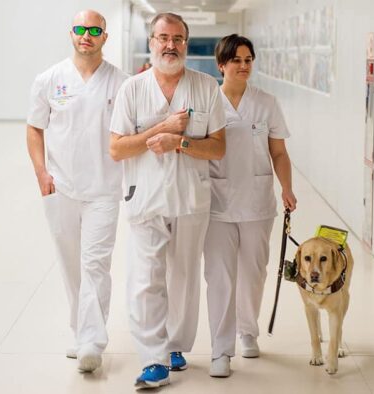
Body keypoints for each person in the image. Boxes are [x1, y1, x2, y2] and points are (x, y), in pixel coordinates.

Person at [109, 13, 226, 389]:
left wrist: (181, 142)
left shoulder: (207, 88)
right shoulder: (132, 89)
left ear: (186, 44)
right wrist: (160, 130)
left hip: (191, 197)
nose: (169, 45)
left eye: (177, 38)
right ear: (152, 41)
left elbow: (219, 148)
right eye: (162, 37)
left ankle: (176, 345)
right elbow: (116, 149)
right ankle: (153, 358)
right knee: (146, 278)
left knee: (184, 277)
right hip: (145, 197)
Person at [25, 10, 128, 373]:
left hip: (104, 189)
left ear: (104, 37)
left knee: (95, 264)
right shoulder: (49, 79)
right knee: (71, 265)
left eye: (94, 30)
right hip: (61, 187)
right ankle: (80, 329)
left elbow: (130, 135)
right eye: (81, 29)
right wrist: (41, 172)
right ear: (71, 34)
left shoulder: (120, 82)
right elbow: (35, 128)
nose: (87, 35)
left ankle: (92, 343)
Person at [203, 34, 297, 377]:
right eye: (237, 60)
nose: (244, 66)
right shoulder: (208, 100)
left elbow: (279, 153)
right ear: (222, 65)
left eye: (248, 60)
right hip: (216, 202)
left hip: (258, 202)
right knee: (219, 276)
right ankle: (220, 348)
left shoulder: (267, 102)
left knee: (254, 272)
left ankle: (248, 331)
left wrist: (287, 188)